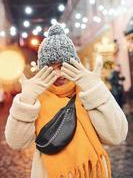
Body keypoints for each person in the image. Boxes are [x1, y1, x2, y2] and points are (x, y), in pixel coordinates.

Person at [5, 24, 128, 178]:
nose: (58, 73)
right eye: (50, 67)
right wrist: (26, 101)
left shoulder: (88, 92)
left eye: (63, 65)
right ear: (42, 69)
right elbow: (16, 142)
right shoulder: (36, 99)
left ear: (74, 64)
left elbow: (117, 135)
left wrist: (95, 89)